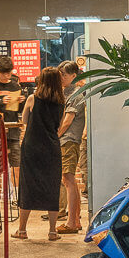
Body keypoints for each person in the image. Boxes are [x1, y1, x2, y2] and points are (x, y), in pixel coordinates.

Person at [13, 67, 65, 241]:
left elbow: (25, 120)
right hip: (51, 148)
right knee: (52, 186)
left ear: (41, 80)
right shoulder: (61, 101)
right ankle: (52, 231)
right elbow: (59, 125)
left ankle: (22, 230)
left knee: (28, 186)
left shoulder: (32, 98)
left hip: (32, 147)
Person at [55, 61, 85, 234]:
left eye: (64, 75)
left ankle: (71, 222)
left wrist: (56, 135)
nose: (61, 78)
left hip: (69, 140)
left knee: (68, 180)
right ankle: (76, 219)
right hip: (68, 140)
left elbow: (68, 120)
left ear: (74, 76)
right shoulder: (69, 93)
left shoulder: (76, 95)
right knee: (70, 180)